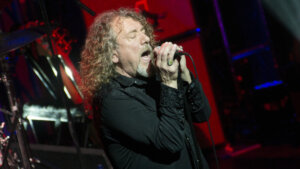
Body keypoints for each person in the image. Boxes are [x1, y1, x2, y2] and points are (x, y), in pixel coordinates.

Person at [80, 8, 211, 169]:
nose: (146, 39)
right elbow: (170, 142)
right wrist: (169, 82)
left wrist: (185, 76)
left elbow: (202, 113)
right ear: (112, 54)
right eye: (133, 35)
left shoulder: (155, 77)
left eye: (144, 32)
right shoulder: (112, 100)